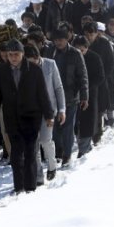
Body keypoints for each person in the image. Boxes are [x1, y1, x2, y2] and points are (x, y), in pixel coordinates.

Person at [0, 39, 54, 194]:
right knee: (16, 155)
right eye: (10, 55)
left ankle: (30, 187)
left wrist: (49, 115)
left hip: (31, 117)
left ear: (22, 54)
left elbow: (43, 94)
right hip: (12, 118)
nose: (13, 58)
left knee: (30, 152)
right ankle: (19, 187)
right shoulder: (1, 72)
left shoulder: (35, 70)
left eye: (16, 54)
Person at [24, 44, 65, 184]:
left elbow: (58, 88)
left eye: (32, 61)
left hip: (48, 109)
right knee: (34, 143)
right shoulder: (23, 68)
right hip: (32, 111)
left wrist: (62, 109)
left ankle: (52, 166)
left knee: (46, 140)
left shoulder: (50, 64)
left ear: (37, 57)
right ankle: (38, 175)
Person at [49, 28, 89, 167]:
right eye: (56, 40)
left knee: (67, 128)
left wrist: (84, 96)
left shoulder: (75, 54)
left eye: (61, 39)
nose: (58, 42)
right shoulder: (50, 52)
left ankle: (67, 154)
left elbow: (83, 76)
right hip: (53, 97)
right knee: (54, 128)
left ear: (67, 40)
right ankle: (58, 153)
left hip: (71, 96)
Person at [71, 36, 105, 158]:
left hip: (90, 94)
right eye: (76, 49)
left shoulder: (94, 58)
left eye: (82, 50)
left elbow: (100, 76)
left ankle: (84, 149)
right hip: (73, 94)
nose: (79, 52)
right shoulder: (70, 57)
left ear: (86, 48)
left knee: (87, 122)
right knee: (74, 123)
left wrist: (87, 87)